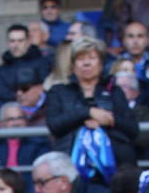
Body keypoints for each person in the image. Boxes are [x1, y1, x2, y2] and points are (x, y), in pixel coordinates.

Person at [44, 37, 140, 169]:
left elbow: (133, 129)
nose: (86, 63)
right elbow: (54, 125)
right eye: (80, 59)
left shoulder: (114, 92)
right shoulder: (59, 92)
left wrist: (109, 120)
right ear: (73, 65)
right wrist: (88, 113)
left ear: (101, 64)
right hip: (70, 163)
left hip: (113, 162)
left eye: (92, 58)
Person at [0, 23, 51, 107]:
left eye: (20, 40)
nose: (16, 45)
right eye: (12, 41)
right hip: (10, 108)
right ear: (8, 43)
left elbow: (48, 85)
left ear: (28, 41)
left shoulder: (43, 63)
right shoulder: (1, 70)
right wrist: (17, 96)